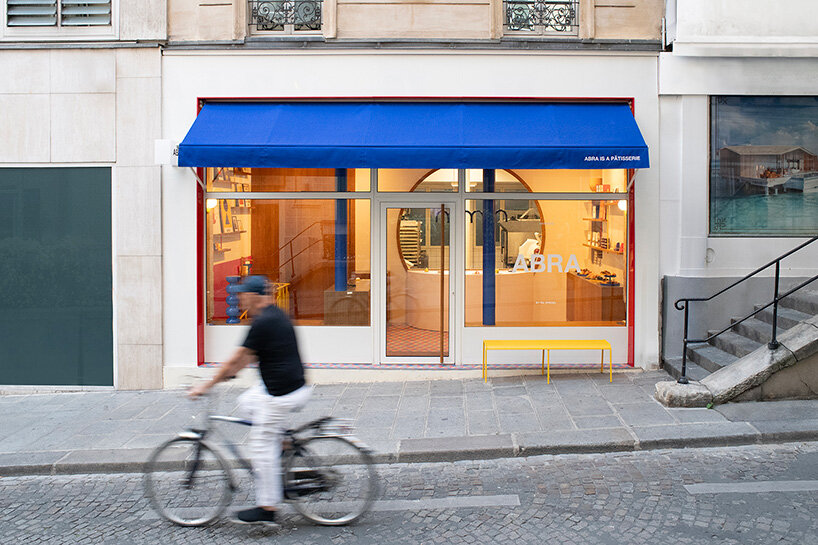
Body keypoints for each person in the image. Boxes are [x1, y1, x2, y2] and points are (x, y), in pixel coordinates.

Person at [189, 275, 312, 526]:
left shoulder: (264, 322)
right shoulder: (272, 315)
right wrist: (230, 373)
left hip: (281, 394)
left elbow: (237, 357)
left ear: (255, 296)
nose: (240, 298)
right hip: (284, 385)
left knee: (259, 448)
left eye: (243, 294)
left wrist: (207, 385)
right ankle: (283, 441)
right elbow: (247, 357)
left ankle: (267, 508)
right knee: (247, 402)